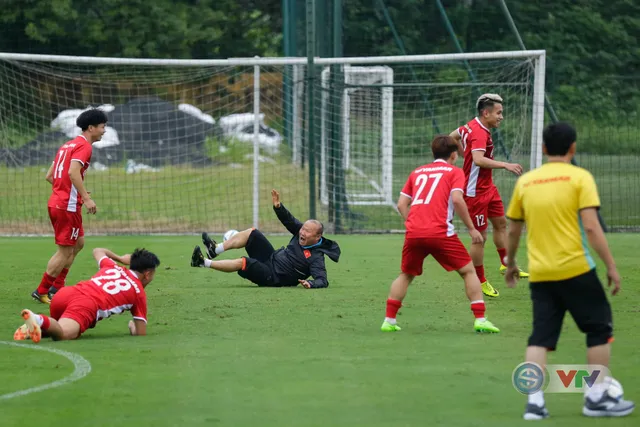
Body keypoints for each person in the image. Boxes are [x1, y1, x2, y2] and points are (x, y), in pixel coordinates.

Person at [504, 122, 634, 419]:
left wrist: (511, 263)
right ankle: (596, 398)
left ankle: (534, 404)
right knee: (599, 329)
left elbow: (513, 229)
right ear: (573, 148)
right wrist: (611, 265)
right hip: (576, 269)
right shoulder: (580, 177)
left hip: (540, 273)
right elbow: (590, 225)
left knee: (540, 337)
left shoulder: (526, 182)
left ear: (545, 148)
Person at [381, 135, 500, 334]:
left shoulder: (417, 172)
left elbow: (402, 204)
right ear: (454, 154)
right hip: (440, 232)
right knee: (468, 272)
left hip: (414, 232)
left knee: (406, 274)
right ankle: (480, 319)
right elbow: (458, 199)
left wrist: (412, 223)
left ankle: (389, 320)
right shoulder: (455, 172)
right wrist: (472, 229)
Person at [449, 93, 527, 298]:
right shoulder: (480, 133)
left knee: (501, 223)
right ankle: (480, 280)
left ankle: (505, 263)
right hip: (474, 192)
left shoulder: (470, 126)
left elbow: (453, 136)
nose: (501, 117)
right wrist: (505, 164)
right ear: (486, 113)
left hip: (488, 188)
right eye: (499, 113)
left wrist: (462, 153)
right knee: (479, 237)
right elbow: (478, 160)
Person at [31, 109, 108, 304]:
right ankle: (41, 291)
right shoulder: (84, 147)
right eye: (102, 127)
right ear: (91, 128)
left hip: (58, 202)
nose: (104, 131)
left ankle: (58, 287)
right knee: (64, 251)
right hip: (67, 206)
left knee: (78, 244)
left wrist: (69, 192)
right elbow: (74, 173)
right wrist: (84, 197)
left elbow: (50, 176)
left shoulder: (67, 145)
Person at [191, 189, 340, 288]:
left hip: (273, 277)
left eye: (307, 232)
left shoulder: (316, 257)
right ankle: (215, 249)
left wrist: (311, 284)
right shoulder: (300, 231)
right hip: (271, 257)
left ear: (317, 236)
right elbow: (289, 220)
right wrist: (278, 206)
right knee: (252, 233)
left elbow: (323, 280)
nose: (302, 232)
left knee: (243, 262)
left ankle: (203, 262)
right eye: (303, 229)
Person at [15, 247, 160, 342]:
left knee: (56, 329)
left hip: (66, 293)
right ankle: (38, 319)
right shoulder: (138, 293)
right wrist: (131, 326)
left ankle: (31, 330)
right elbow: (140, 333)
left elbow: (98, 251)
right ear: (147, 274)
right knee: (64, 334)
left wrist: (121, 258)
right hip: (85, 304)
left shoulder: (113, 267)